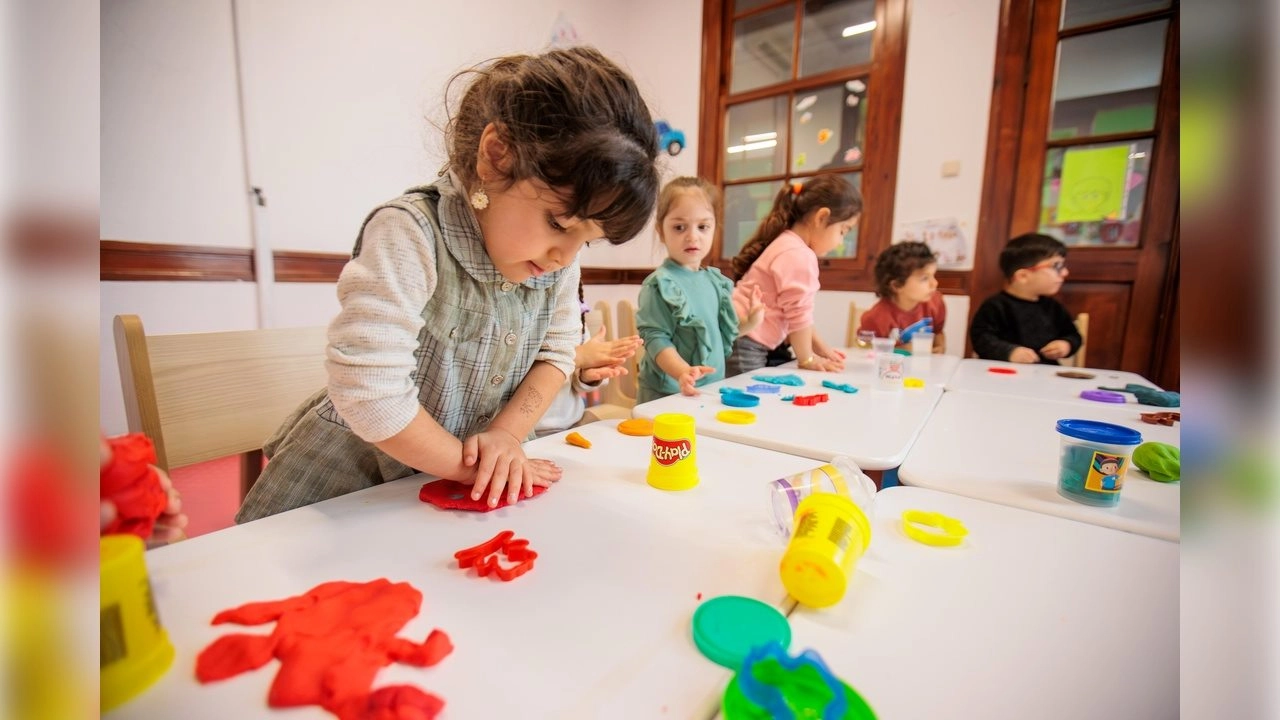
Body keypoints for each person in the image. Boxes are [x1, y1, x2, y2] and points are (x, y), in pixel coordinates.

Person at [237, 47, 660, 520]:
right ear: (497, 155)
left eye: (590, 241)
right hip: (350, 489)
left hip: (451, 491)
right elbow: (371, 392)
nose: (567, 255)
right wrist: (469, 467)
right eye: (560, 223)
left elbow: (557, 353)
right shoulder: (410, 233)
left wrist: (507, 434)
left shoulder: (556, 262)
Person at [636, 177, 763, 402]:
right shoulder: (661, 285)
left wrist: (750, 323)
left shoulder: (715, 281)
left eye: (703, 227)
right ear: (661, 231)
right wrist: (682, 371)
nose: (692, 236)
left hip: (710, 388)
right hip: (666, 394)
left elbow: (721, 333)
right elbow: (656, 339)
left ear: (715, 228)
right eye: (679, 227)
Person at [725, 175, 862, 376]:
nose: (840, 242)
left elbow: (799, 315)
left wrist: (821, 349)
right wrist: (806, 358)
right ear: (821, 217)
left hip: (741, 335)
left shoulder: (788, 244)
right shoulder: (798, 254)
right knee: (751, 397)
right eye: (843, 230)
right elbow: (799, 314)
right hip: (746, 341)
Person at [534, 287, 643, 436]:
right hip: (526, 432)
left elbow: (576, 382)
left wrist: (586, 377)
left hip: (573, 421)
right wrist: (579, 356)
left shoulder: (575, 317)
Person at [969, 232, 1081, 364]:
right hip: (1003, 374)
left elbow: (1073, 335)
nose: (1065, 272)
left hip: (1045, 376)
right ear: (1023, 276)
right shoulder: (995, 306)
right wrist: (1009, 352)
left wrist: (1066, 344)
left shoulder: (1053, 307)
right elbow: (981, 339)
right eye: (1057, 266)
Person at [859, 241, 946, 352]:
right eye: (924, 278)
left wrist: (940, 348)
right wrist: (903, 349)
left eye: (933, 275)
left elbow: (938, 332)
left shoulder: (935, 302)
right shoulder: (875, 319)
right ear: (896, 285)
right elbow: (867, 351)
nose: (935, 283)